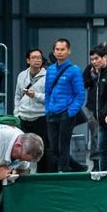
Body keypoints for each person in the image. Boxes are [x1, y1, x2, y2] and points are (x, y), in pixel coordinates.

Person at [43, 38, 86, 173]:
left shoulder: (74, 70)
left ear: (69, 51)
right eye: (57, 49)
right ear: (54, 51)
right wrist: (47, 109)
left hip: (66, 113)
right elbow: (47, 92)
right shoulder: (50, 70)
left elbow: (80, 95)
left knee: (64, 145)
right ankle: (78, 167)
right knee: (53, 146)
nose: (59, 52)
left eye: (62, 49)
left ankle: (64, 170)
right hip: (52, 112)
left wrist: (70, 112)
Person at [84, 45, 107, 171]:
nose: (94, 62)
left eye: (97, 59)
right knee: (101, 148)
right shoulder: (96, 72)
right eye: (92, 59)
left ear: (105, 57)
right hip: (99, 118)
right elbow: (86, 84)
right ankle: (104, 173)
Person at [13, 49, 48, 165]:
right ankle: (22, 171)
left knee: (43, 149)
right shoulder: (22, 75)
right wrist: (16, 113)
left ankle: (42, 175)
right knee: (21, 148)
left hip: (40, 117)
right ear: (28, 60)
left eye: (39, 58)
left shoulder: (47, 76)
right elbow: (18, 96)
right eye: (34, 57)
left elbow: (50, 98)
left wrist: (36, 95)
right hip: (23, 117)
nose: (37, 60)